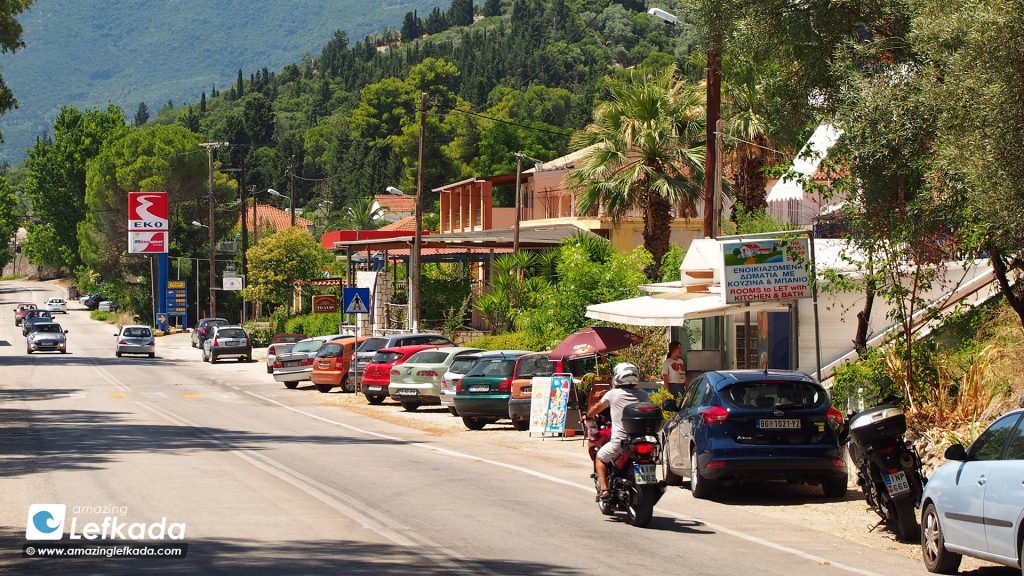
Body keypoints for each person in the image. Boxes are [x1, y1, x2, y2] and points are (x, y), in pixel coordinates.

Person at [586, 362, 650, 500]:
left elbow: (597, 407)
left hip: (620, 443)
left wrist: (588, 416)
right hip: (643, 440)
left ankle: (604, 490)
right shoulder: (644, 395)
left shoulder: (613, 394)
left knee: (600, 458)